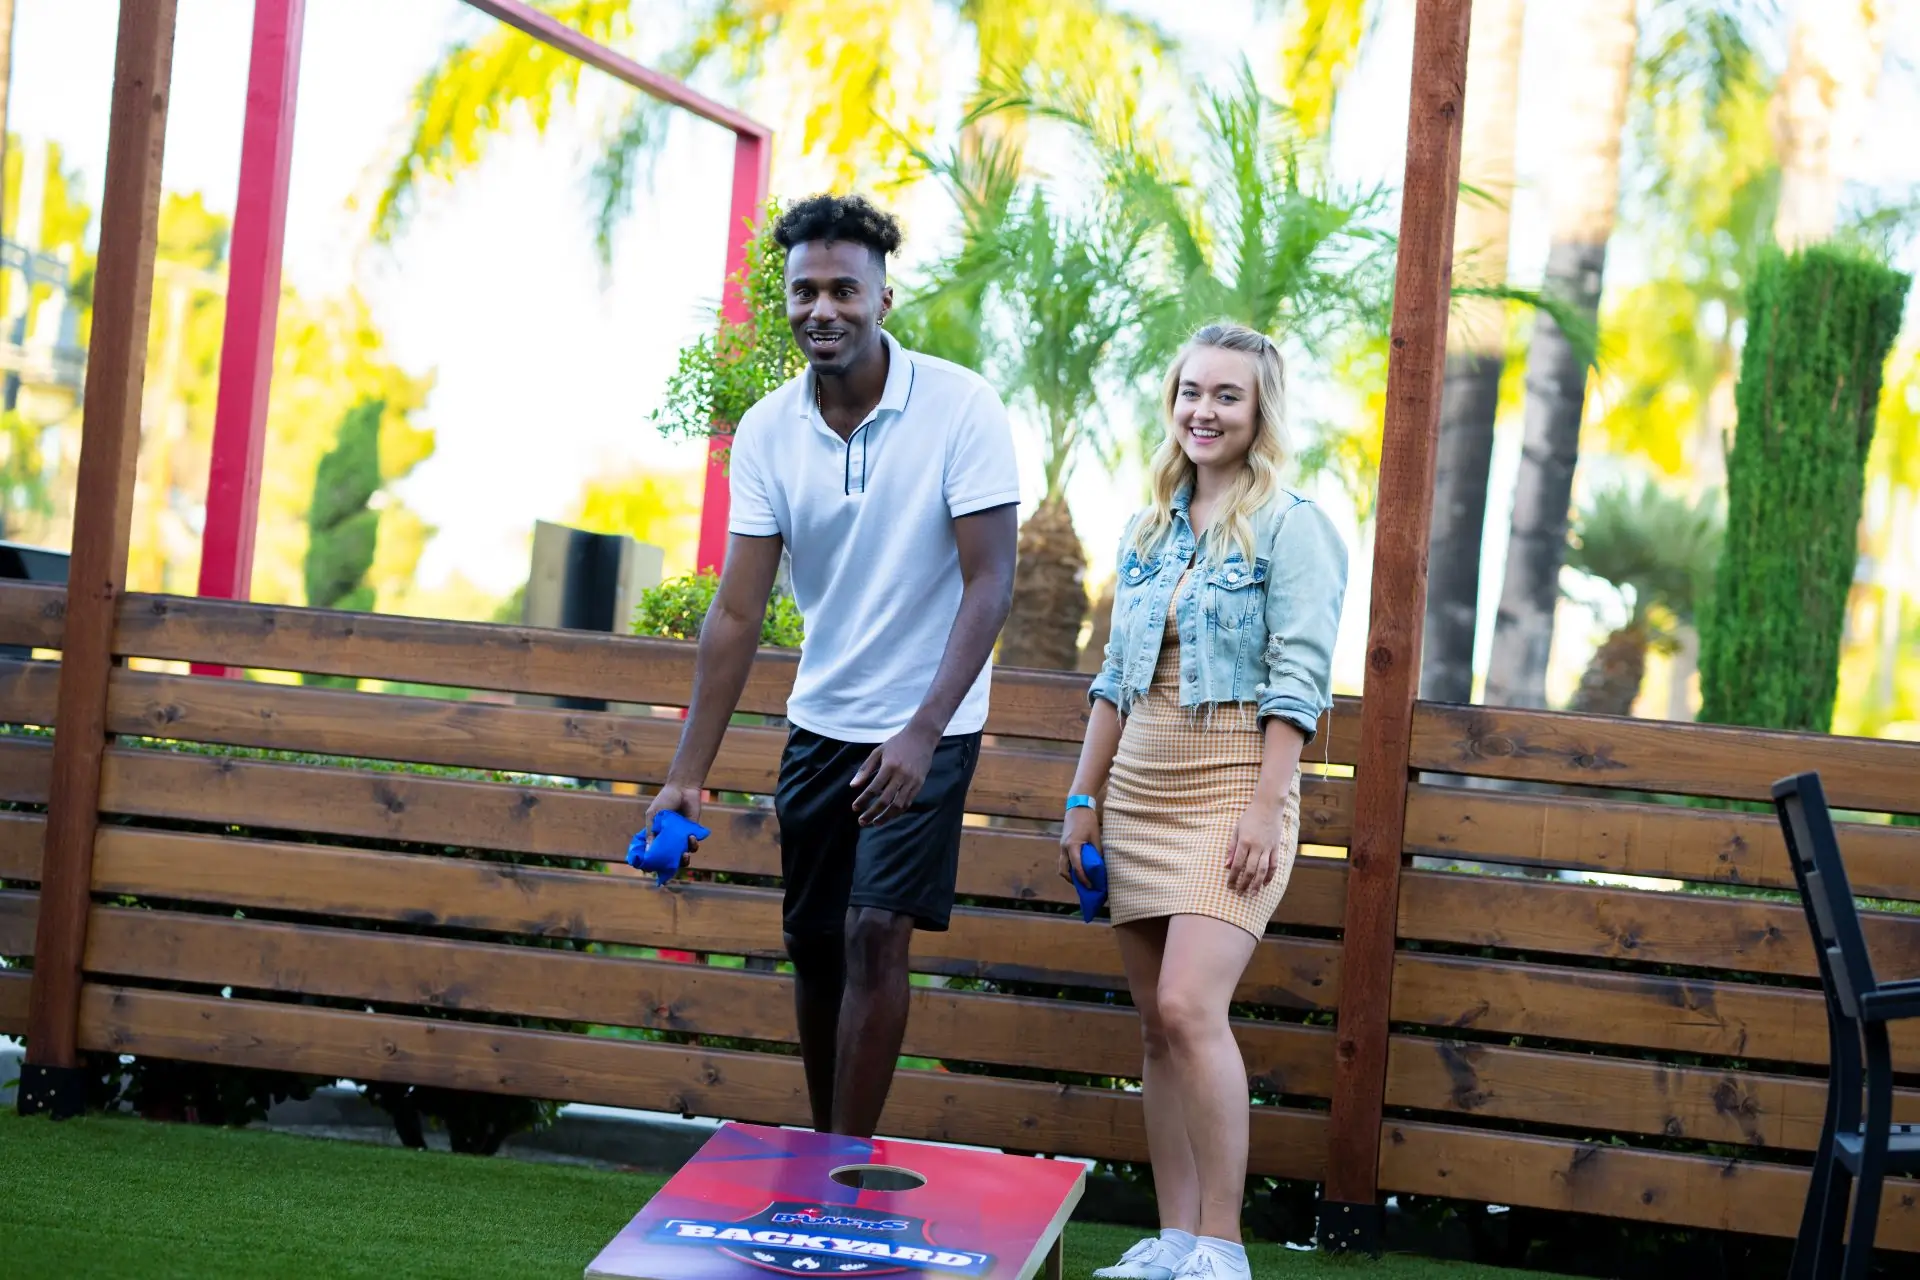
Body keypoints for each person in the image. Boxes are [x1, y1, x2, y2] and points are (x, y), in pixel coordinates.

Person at [647, 193, 1021, 1139]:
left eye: (844, 290)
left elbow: (990, 585)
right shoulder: (771, 431)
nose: (824, 309)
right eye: (805, 291)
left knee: (872, 932)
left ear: (883, 297)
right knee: (813, 945)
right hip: (823, 720)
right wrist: (685, 778)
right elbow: (736, 613)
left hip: (927, 725)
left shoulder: (961, 408)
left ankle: (844, 1173)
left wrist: (924, 731)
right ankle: (826, 1155)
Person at [1061, 323, 1347, 1280]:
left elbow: (1299, 679)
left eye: (1227, 395)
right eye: (1191, 391)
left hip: (1235, 783)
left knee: (1190, 1005)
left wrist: (1269, 805)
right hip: (1139, 781)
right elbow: (1113, 678)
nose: (1204, 410)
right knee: (1155, 1026)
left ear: (1260, 409)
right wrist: (1081, 799)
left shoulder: (1295, 524)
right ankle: (1174, 1238)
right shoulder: (1148, 527)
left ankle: (1223, 1247)